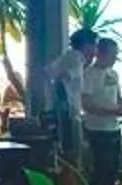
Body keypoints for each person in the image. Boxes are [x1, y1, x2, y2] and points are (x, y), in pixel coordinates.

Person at [39, 25, 97, 173]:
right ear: (87, 45)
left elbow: (48, 73)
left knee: (66, 155)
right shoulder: (76, 59)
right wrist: (63, 107)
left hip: (62, 113)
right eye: (94, 46)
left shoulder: (69, 57)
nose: (96, 51)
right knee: (71, 156)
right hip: (68, 115)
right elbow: (62, 78)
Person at [81, 38, 122, 185]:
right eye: (112, 54)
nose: (114, 58)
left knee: (113, 169)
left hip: (113, 128)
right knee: (101, 169)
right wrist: (111, 111)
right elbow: (86, 105)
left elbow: (118, 99)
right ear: (99, 54)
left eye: (116, 54)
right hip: (96, 130)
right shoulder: (89, 75)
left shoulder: (113, 74)